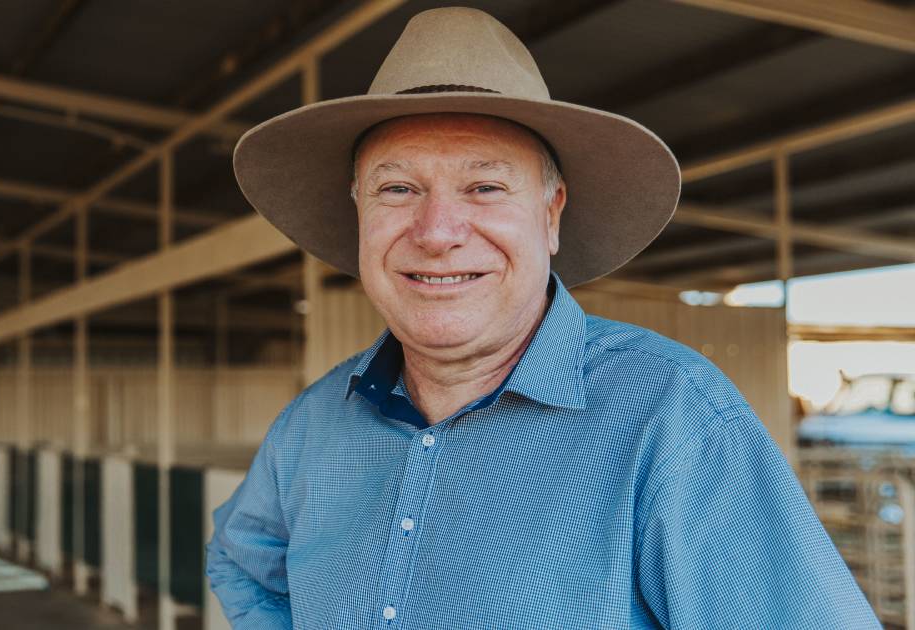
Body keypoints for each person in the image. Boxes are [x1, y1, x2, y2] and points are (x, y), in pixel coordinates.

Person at [207, 7, 878, 629]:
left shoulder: (673, 421)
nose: (437, 232)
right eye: (398, 188)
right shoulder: (312, 425)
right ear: (360, 211)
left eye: (485, 186)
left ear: (551, 214)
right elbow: (240, 564)